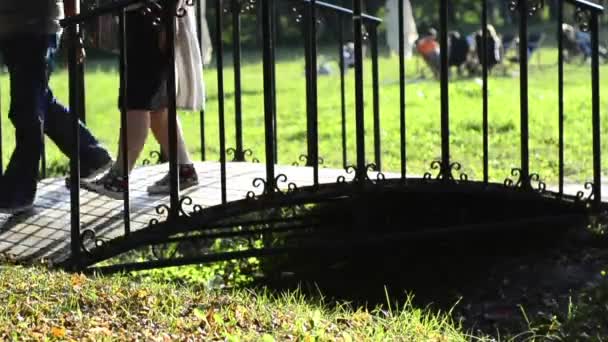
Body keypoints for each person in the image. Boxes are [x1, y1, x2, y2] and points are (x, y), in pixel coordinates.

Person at [0, 0, 113, 214]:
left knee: (27, 110)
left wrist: (74, 32)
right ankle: (91, 154)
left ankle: (19, 192)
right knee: (38, 101)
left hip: (37, 28)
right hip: (12, 28)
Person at [83, 1, 204, 200]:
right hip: (147, 17)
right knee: (156, 107)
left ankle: (119, 178)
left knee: (136, 102)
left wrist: (167, 21)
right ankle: (184, 170)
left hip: (150, 18)